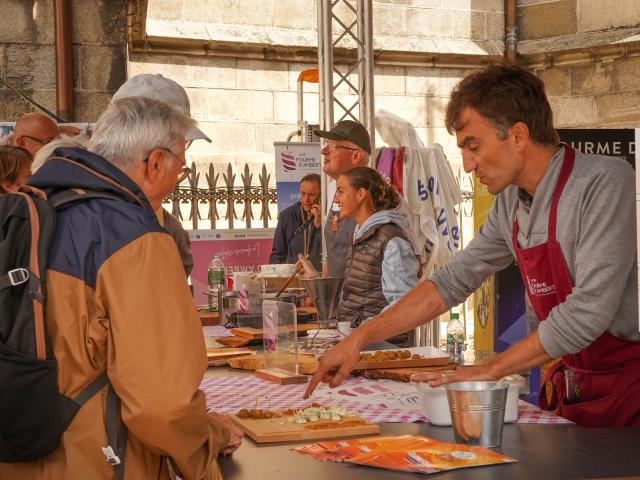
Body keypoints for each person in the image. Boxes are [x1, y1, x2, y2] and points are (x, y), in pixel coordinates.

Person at [303, 64, 640, 428]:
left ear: (518, 135)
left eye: (473, 146)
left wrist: (488, 371)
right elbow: (452, 281)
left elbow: (587, 311)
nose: (466, 166)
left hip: (627, 389)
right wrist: (360, 338)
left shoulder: (605, 181)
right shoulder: (510, 201)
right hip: (574, 385)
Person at [0, 97, 242, 479]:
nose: (181, 176)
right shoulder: (134, 237)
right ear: (155, 162)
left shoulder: (37, 209)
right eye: (181, 164)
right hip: (95, 462)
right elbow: (162, 404)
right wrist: (210, 437)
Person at [299, 167, 419, 346]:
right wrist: (313, 277)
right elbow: (357, 294)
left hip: (383, 351)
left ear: (361, 194)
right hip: (359, 344)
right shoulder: (361, 234)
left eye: (341, 192)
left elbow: (403, 305)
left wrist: (363, 334)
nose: (337, 199)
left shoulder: (391, 240)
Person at [110, 73, 211, 278]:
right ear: (155, 162)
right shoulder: (105, 222)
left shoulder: (168, 226)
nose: (174, 183)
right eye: (179, 161)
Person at [314, 120, 423, 278]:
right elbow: (332, 253)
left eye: (333, 147)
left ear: (356, 155)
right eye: (326, 144)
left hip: (370, 300)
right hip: (340, 300)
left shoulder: (385, 197)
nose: (324, 151)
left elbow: (414, 266)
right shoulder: (332, 190)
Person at [270, 173, 322, 270]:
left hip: (318, 276)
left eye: (311, 195)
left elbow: (330, 249)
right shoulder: (286, 215)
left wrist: (319, 225)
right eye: (303, 193)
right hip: (292, 276)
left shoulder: (326, 216)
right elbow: (277, 254)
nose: (306, 199)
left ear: (320, 195)